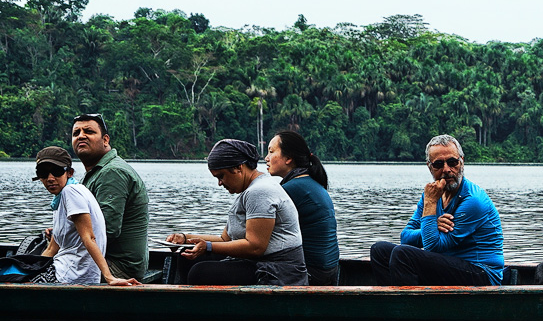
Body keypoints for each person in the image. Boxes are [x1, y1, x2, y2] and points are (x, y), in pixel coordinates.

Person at [167, 139, 308, 285]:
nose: (220, 183)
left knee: (200, 273)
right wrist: (185, 238)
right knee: (186, 256)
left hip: (277, 271)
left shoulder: (260, 191)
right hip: (256, 262)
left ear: (238, 168)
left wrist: (207, 246)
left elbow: (255, 247)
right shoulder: (249, 190)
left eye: (221, 176)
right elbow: (225, 240)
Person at [370, 135, 504, 286]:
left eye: (452, 162)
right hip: (449, 265)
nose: (447, 170)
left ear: (462, 162)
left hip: (482, 273)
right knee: (379, 250)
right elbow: (405, 237)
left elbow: (433, 246)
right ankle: (392, 304)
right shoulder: (432, 195)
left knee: (403, 255)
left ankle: (407, 308)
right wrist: (432, 224)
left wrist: (431, 211)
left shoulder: (473, 200)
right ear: (430, 167)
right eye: (439, 164)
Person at [32, 146, 138, 286]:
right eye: (44, 173)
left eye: (57, 172)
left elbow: (89, 237)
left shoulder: (71, 192)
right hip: (66, 269)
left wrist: (109, 277)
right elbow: (52, 249)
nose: (50, 179)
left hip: (70, 274)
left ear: (69, 173)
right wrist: (31, 269)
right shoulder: (61, 198)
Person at [70, 113, 150, 281]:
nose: (81, 136)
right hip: (104, 258)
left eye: (89, 131)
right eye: (76, 133)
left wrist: (66, 235)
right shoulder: (94, 173)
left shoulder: (112, 172)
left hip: (118, 266)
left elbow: (107, 230)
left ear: (105, 140)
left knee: (45, 273)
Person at [266, 130, 341, 285]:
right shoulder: (309, 183)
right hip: (330, 271)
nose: (266, 158)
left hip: (312, 273)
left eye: (271, 152)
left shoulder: (292, 189)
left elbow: (260, 238)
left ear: (289, 158)